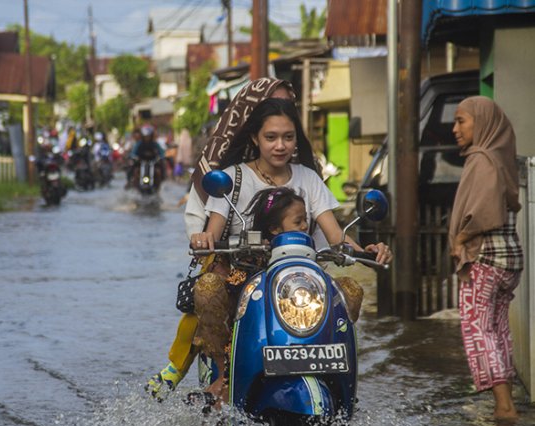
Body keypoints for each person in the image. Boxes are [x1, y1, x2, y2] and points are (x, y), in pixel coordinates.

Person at [146, 94, 391, 400]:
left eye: (288, 137)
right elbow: (212, 232)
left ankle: (338, 381)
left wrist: (367, 252)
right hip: (245, 281)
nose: (280, 145)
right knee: (208, 287)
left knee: (351, 291)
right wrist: (202, 239)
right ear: (255, 138)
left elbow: (336, 237)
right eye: (271, 137)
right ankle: (223, 377)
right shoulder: (234, 178)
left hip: (300, 284)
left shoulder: (309, 179)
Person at [449, 96, 523, 421]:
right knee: (498, 329)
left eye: (461, 121)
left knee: (478, 329)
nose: (455, 129)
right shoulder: (500, 157)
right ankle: (505, 403)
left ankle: (505, 406)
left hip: (486, 257)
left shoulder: (481, 159)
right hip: (509, 258)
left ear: (481, 122)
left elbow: (483, 211)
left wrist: (461, 238)